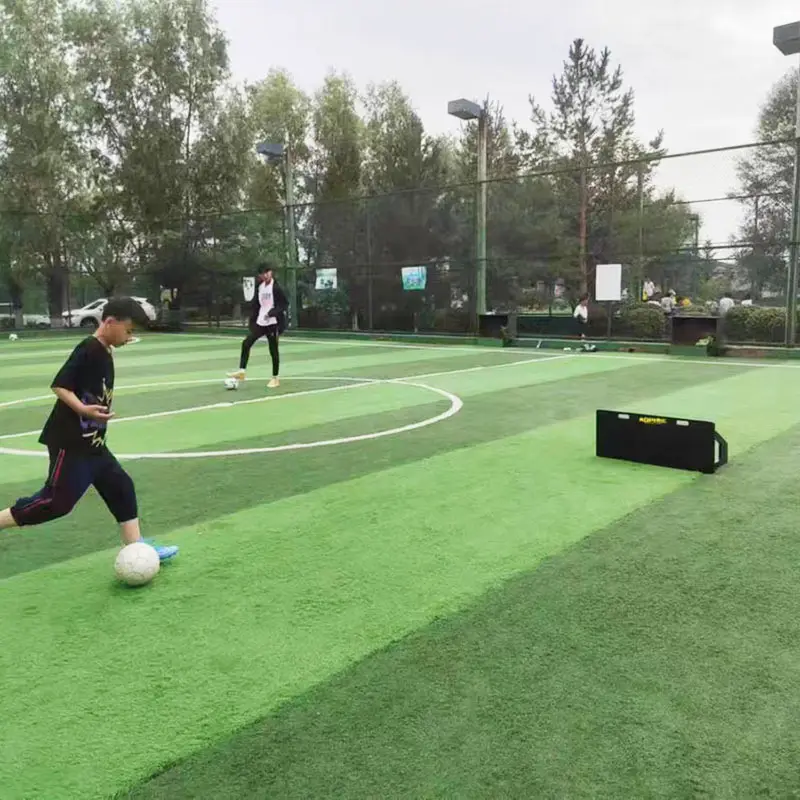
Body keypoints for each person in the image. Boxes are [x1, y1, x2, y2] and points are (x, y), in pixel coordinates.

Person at [0, 297, 178, 562]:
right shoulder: (88, 347)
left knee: (121, 486)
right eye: (128, 331)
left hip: (93, 443)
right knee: (55, 503)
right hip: (70, 442)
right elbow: (60, 385)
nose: (130, 338)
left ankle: (136, 547)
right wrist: (83, 410)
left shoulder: (105, 350)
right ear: (109, 322)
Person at [228, 263, 289, 388]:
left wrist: (272, 313)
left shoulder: (276, 288)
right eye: (263, 273)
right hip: (261, 322)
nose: (265, 275)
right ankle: (241, 372)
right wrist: (253, 319)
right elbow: (257, 305)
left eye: (268, 272)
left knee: (273, 350)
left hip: (273, 323)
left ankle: (275, 378)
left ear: (271, 273)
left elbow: (284, 304)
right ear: (260, 275)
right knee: (246, 343)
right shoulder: (260, 287)